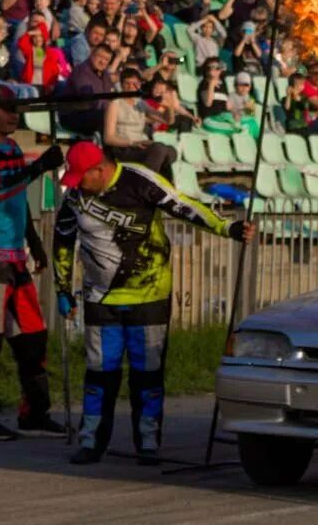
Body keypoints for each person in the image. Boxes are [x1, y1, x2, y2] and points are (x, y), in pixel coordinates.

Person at [52, 140, 253, 466]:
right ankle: (91, 442)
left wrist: (228, 228)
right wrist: (62, 288)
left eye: (80, 177)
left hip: (149, 296)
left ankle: (147, 443)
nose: (76, 185)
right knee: (99, 374)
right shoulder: (75, 196)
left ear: (100, 170)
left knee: (147, 375)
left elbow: (184, 205)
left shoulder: (139, 179)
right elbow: (62, 239)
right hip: (99, 298)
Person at [0, 88, 66, 441]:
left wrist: (35, 243)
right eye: (7, 108)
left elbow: (18, 201)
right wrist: (38, 168)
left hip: (16, 256)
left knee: (33, 337)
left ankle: (34, 412)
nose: (14, 114)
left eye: (17, 108)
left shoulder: (13, 149)